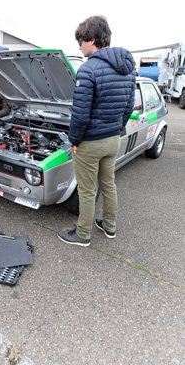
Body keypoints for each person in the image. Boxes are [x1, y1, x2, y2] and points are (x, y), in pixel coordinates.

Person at [57, 15, 135, 247]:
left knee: (87, 190)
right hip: (113, 139)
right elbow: (128, 107)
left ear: (92, 40)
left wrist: (74, 140)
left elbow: (80, 114)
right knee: (108, 184)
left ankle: (82, 234)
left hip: (90, 142)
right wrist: (115, 128)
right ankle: (109, 226)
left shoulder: (88, 69)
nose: (79, 46)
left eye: (80, 41)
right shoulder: (128, 69)